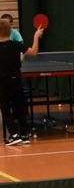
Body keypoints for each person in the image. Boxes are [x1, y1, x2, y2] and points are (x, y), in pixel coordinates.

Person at [0, 16, 44, 144]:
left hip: (2, 81)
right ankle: (24, 135)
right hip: (16, 80)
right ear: (10, 30)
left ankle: (14, 134)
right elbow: (34, 52)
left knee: (5, 109)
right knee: (20, 108)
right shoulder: (17, 45)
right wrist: (36, 36)